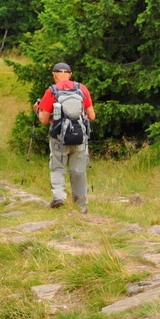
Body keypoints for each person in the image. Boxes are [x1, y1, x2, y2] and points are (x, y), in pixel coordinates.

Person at [34, 62, 96, 213]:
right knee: (78, 170)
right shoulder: (82, 89)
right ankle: (81, 205)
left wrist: (37, 109)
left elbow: (43, 119)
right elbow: (92, 116)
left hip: (58, 137)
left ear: (54, 75)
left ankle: (59, 197)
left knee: (57, 167)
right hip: (80, 138)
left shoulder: (52, 91)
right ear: (70, 74)